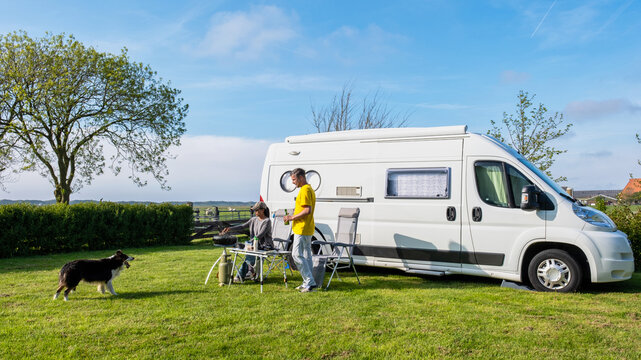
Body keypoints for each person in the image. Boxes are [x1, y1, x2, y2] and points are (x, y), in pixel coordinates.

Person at [221, 201, 273, 282]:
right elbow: (242, 226)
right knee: (247, 251)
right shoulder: (253, 220)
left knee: (249, 254)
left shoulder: (267, 221)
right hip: (253, 245)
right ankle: (249, 272)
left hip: (265, 246)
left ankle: (240, 276)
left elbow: (260, 235)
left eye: (257, 210)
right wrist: (230, 228)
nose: (255, 212)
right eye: (254, 210)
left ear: (263, 210)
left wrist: (248, 243)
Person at [283, 168, 317, 293]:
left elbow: (307, 210)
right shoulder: (309, 189)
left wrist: (292, 217)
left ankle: (310, 282)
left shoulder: (305, 190)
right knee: (307, 255)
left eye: (294, 179)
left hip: (302, 228)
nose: (293, 182)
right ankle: (308, 282)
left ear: (301, 177)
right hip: (307, 227)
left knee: (296, 254)